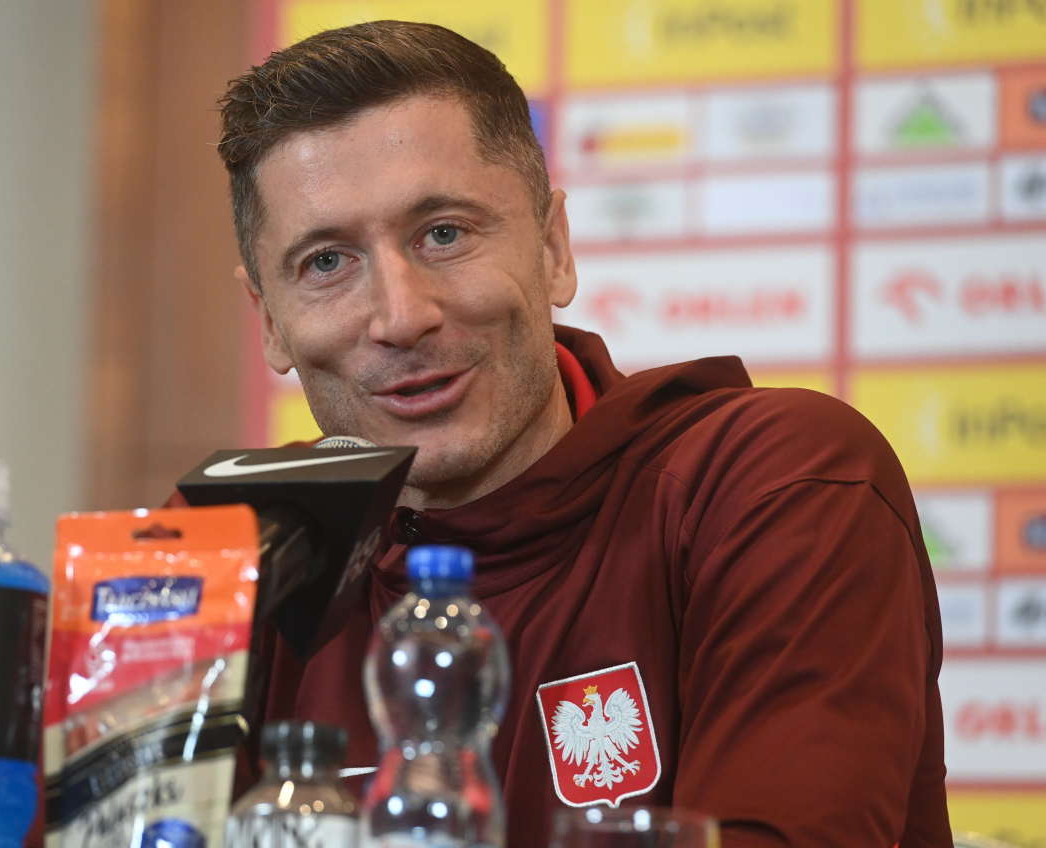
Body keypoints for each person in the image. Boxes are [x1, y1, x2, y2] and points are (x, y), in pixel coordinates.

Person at [211, 20, 949, 848]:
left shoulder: (774, 481)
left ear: (554, 248)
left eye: (444, 233)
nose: (401, 316)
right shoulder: (236, 550)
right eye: (325, 262)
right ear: (269, 321)